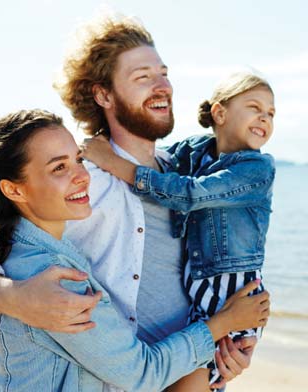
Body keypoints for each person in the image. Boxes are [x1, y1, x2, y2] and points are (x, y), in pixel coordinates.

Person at [0, 15, 259, 390]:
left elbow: (219, 267)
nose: (163, 85)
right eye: (143, 77)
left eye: (163, 73)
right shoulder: (79, 179)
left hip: (186, 369)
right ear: (104, 95)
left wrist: (230, 345)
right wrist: (14, 298)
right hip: (124, 376)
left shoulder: (182, 177)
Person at [0, 108, 268, 391]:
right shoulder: (52, 280)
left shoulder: (32, 248)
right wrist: (223, 324)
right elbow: (141, 373)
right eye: (59, 168)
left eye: (77, 159)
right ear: (13, 189)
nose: (81, 175)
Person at [81, 72, 276, 391]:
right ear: (220, 113)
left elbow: (188, 194)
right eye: (254, 107)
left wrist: (110, 161)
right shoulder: (193, 151)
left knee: (198, 379)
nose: (264, 118)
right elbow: (151, 159)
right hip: (199, 296)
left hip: (233, 292)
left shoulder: (257, 168)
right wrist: (105, 141)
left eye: (271, 113)